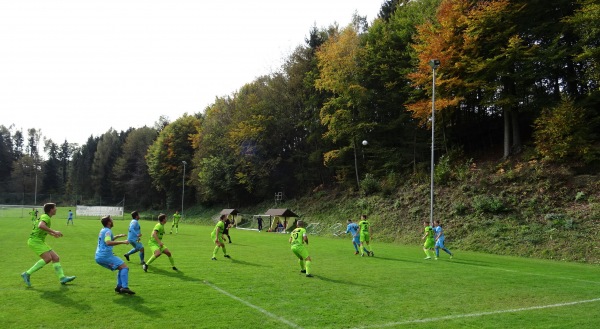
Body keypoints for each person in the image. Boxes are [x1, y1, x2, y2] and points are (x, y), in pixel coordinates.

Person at [21, 203, 76, 287]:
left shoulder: (44, 216)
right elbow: (41, 226)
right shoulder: (46, 217)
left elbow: (41, 228)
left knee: (55, 258)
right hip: (35, 241)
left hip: (39, 241)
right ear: (51, 209)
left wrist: (51, 234)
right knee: (47, 258)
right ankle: (27, 273)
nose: (56, 209)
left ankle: (62, 278)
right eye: (55, 208)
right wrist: (54, 231)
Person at [95, 215, 135, 294]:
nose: (113, 221)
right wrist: (123, 242)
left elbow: (107, 240)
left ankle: (119, 287)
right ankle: (124, 287)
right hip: (105, 255)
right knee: (125, 267)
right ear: (109, 222)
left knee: (121, 267)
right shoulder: (108, 231)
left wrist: (117, 236)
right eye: (111, 220)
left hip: (99, 256)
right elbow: (108, 242)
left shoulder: (103, 230)